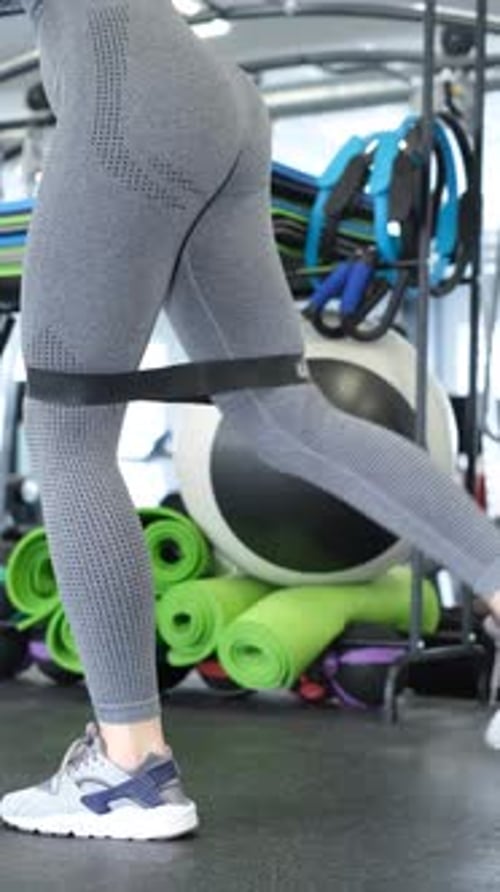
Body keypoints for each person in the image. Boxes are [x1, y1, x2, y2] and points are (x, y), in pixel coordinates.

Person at [1, 0, 500, 842]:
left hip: (133, 101)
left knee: (70, 424)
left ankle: (129, 771)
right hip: (211, 97)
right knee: (281, 413)